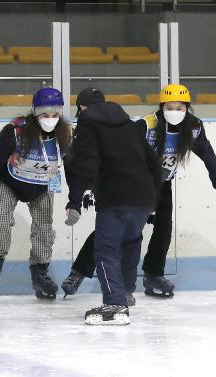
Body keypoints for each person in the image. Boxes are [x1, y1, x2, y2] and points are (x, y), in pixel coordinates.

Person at [61, 84, 216, 302]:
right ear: (161, 107)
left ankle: (153, 274)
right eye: (170, 107)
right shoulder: (146, 125)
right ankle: (79, 271)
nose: (175, 112)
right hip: (139, 182)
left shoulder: (193, 127)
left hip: (161, 183)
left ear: (187, 108)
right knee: (113, 230)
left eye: (180, 108)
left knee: (163, 228)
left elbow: (204, 149)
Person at [0, 87, 82, 299]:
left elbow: (73, 172)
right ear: (34, 112)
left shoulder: (65, 135)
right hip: (9, 183)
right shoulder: (16, 131)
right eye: (44, 115)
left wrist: (75, 202)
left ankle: (40, 272)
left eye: (55, 115)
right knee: (0, 219)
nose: (50, 119)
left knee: (44, 228)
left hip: (42, 186)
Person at [69, 87, 162, 325]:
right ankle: (126, 292)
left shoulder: (87, 124)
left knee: (106, 249)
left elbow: (89, 157)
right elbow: (153, 162)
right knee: (130, 243)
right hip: (143, 197)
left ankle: (115, 303)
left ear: (82, 108)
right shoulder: (129, 124)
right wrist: (154, 199)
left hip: (115, 197)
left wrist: (89, 188)